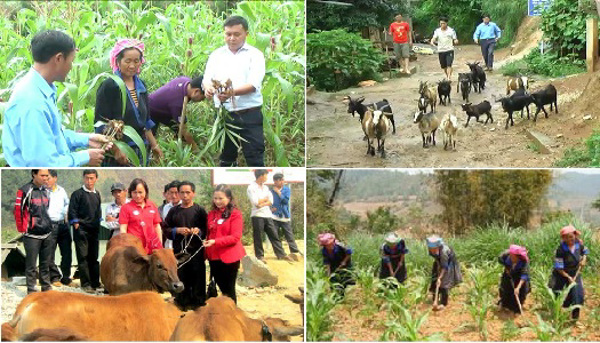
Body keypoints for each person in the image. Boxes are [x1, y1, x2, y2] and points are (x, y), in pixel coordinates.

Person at [2, 30, 111, 167]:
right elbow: (43, 163)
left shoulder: (41, 90)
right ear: (59, 58)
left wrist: (86, 139)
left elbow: (50, 136)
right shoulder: (32, 103)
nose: (72, 67)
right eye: (71, 60)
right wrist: (85, 157)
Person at [203, 16, 266, 167]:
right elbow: (207, 79)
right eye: (228, 34)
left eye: (237, 34)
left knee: (255, 158)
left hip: (249, 114)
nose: (232, 38)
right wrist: (208, 89)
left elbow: (253, 85)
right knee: (226, 158)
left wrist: (231, 92)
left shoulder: (255, 55)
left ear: (246, 34)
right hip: (225, 115)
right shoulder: (216, 55)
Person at [94, 39, 161, 166]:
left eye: (136, 61)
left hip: (140, 149)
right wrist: (116, 150)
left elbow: (146, 122)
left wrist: (154, 145)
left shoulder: (141, 86)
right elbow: (100, 123)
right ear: (118, 61)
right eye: (127, 61)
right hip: (117, 153)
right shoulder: (110, 86)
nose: (132, 66)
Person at [162, 181, 208, 310]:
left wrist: (199, 231)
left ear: (193, 193)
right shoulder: (174, 211)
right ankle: (182, 304)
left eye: (188, 192)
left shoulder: (199, 211)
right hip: (179, 252)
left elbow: (206, 229)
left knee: (198, 277)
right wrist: (176, 230)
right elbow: (166, 229)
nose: (185, 195)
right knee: (181, 277)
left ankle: (199, 305)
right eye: (182, 192)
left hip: (196, 252)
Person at [203, 184, 246, 303]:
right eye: (215, 198)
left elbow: (235, 237)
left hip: (229, 257)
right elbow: (209, 232)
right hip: (214, 257)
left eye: (221, 198)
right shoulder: (212, 214)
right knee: (220, 287)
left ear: (229, 198)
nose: (217, 201)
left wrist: (215, 241)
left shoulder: (235, 214)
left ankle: (233, 314)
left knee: (228, 290)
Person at [14, 170, 53, 293]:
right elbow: (18, 211)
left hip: (47, 232)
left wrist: (49, 226)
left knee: (45, 263)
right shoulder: (25, 190)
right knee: (31, 264)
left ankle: (46, 288)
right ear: (34, 175)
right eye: (42, 175)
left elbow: (46, 210)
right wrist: (23, 229)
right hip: (31, 234)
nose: (45, 178)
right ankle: (31, 290)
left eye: (47, 175)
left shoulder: (46, 190)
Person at [149, 76, 206, 151]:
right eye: (202, 97)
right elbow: (184, 128)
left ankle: (178, 148)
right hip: (151, 111)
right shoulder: (177, 103)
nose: (202, 100)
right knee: (150, 139)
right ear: (196, 91)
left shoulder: (186, 81)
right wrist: (195, 148)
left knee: (178, 131)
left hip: (165, 109)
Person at [68, 169, 102, 293]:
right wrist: (76, 224)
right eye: (87, 178)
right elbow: (72, 210)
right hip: (81, 229)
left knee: (94, 257)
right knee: (83, 257)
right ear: (83, 178)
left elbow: (98, 211)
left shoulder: (97, 194)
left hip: (94, 229)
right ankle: (86, 284)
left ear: (96, 179)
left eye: (92, 178)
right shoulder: (77, 194)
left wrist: (98, 223)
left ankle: (95, 282)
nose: (89, 181)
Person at [247, 169, 290, 263]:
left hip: (267, 214)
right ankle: (260, 256)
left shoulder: (266, 188)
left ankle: (281, 254)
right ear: (261, 176)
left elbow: (271, 201)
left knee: (274, 235)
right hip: (257, 215)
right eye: (266, 175)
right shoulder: (251, 188)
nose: (267, 177)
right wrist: (263, 201)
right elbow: (255, 202)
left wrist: (261, 203)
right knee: (258, 236)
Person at [549, 225, 589, 321]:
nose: (569, 239)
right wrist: (568, 277)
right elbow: (558, 268)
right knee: (558, 294)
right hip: (562, 273)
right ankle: (557, 316)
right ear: (563, 238)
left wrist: (584, 259)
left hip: (575, 272)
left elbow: (585, 251)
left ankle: (575, 319)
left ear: (575, 235)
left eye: (571, 236)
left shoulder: (578, 243)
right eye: (566, 237)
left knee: (577, 294)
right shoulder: (561, 250)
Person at [119, 178, 163, 255]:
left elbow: (157, 226)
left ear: (146, 192)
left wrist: (160, 245)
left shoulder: (152, 205)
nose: (138, 196)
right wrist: (126, 246)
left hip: (153, 247)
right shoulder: (126, 208)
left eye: (140, 192)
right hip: (134, 248)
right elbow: (123, 229)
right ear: (130, 193)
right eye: (134, 192)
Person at [46, 169, 72, 286]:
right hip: (49, 225)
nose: (46, 181)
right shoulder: (42, 191)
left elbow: (67, 203)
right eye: (45, 178)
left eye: (49, 178)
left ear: (55, 178)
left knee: (66, 253)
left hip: (63, 224)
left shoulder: (62, 190)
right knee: (49, 253)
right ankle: (54, 277)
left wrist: (66, 214)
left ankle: (66, 278)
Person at [426, 235, 462, 310]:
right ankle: (435, 299)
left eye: (434, 248)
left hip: (448, 264)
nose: (432, 250)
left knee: (444, 282)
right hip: (439, 262)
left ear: (438, 246)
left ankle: (443, 303)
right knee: (434, 278)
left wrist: (440, 277)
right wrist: (438, 267)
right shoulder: (430, 249)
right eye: (431, 248)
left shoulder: (444, 251)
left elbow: (445, 267)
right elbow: (436, 258)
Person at [270, 173, 301, 259]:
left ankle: (294, 252)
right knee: (275, 236)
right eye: (281, 180)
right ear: (276, 181)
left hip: (284, 216)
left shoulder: (286, 190)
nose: (283, 182)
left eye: (283, 180)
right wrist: (270, 208)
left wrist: (278, 192)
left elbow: (285, 201)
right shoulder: (271, 191)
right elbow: (269, 201)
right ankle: (280, 254)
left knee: (289, 235)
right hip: (274, 216)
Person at [497, 244, 530, 314]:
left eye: (513, 257)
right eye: (511, 256)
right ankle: (503, 303)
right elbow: (500, 259)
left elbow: (524, 275)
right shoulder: (505, 255)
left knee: (520, 293)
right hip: (509, 274)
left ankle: (516, 308)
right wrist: (507, 267)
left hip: (519, 277)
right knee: (505, 288)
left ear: (518, 257)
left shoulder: (524, 261)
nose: (511, 258)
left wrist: (518, 287)